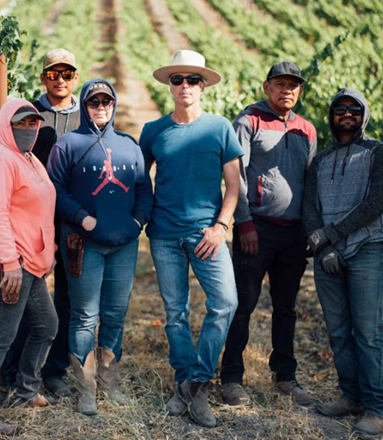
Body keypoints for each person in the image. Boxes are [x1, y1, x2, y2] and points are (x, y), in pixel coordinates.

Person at [140, 50, 243, 428]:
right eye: (178, 79)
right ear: (170, 85)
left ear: (203, 86)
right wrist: (145, 215)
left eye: (192, 80)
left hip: (207, 234)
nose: (185, 86)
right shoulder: (153, 131)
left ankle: (199, 381)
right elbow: (139, 181)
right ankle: (184, 381)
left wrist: (220, 227)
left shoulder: (220, 128)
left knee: (226, 302)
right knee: (175, 313)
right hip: (164, 236)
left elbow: (233, 186)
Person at [47, 79, 153, 415]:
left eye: (107, 101)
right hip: (83, 243)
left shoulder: (129, 145)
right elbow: (55, 190)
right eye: (94, 102)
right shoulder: (68, 144)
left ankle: (110, 384)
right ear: (85, 105)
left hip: (123, 245)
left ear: (115, 104)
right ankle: (86, 390)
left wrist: (137, 223)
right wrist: (81, 217)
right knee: (83, 316)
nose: (101, 107)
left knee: (115, 315)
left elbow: (144, 191)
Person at [220, 61, 317, 406]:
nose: (286, 89)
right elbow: (236, 176)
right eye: (280, 83)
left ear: (300, 91)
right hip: (257, 229)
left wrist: (309, 228)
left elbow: (309, 182)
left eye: (293, 85)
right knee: (242, 306)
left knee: (286, 309)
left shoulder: (307, 129)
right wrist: (243, 222)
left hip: (293, 234)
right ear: (266, 86)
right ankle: (231, 377)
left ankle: (285, 377)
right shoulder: (248, 121)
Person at [302, 88, 383, 438]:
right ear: (331, 116)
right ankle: (351, 397)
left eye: (353, 109)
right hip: (327, 256)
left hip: (365, 250)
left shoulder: (379, 153)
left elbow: (375, 203)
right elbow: (309, 206)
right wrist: (322, 247)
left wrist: (330, 235)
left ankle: (376, 406)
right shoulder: (320, 160)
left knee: (368, 333)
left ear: (363, 115)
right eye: (339, 108)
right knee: (339, 331)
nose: (345, 114)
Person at [0, 99, 58, 433]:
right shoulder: (0, 161)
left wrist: (45, 255)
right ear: (6, 124)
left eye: (33, 123)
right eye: (20, 123)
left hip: (30, 263)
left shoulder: (30, 159)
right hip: (9, 262)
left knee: (46, 326)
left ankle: (25, 391)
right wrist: (10, 262)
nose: (28, 129)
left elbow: (39, 213)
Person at [3, 48, 81, 398]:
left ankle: (54, 370)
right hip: (30, 219)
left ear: (75, 78)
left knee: (65, 297)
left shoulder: (87, 116)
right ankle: (12, 368)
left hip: (70, 219)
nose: (60, 80)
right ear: (43, 78)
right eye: (53, 74)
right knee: (24, 297)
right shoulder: (29, 114)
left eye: (66, 74)